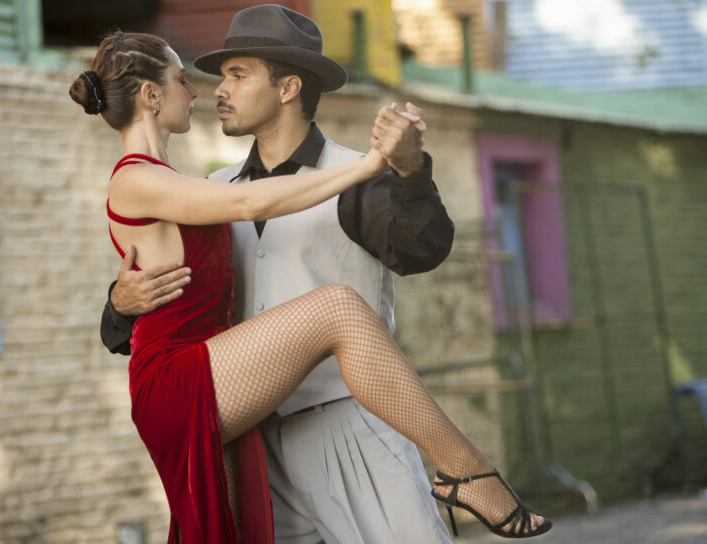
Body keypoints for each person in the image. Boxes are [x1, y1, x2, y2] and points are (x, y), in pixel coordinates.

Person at [87, 12, 551, 544]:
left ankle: (467, 472)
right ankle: (469, 470)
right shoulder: (214, 188)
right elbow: (168, 291)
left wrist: (408, 170)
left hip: (346, 431)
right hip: (255, 435)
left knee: (339, 307)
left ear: (288, 87)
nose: (219, 89)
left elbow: (422, 249)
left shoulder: (353, 175)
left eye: (239, 74)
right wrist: (120, 304)